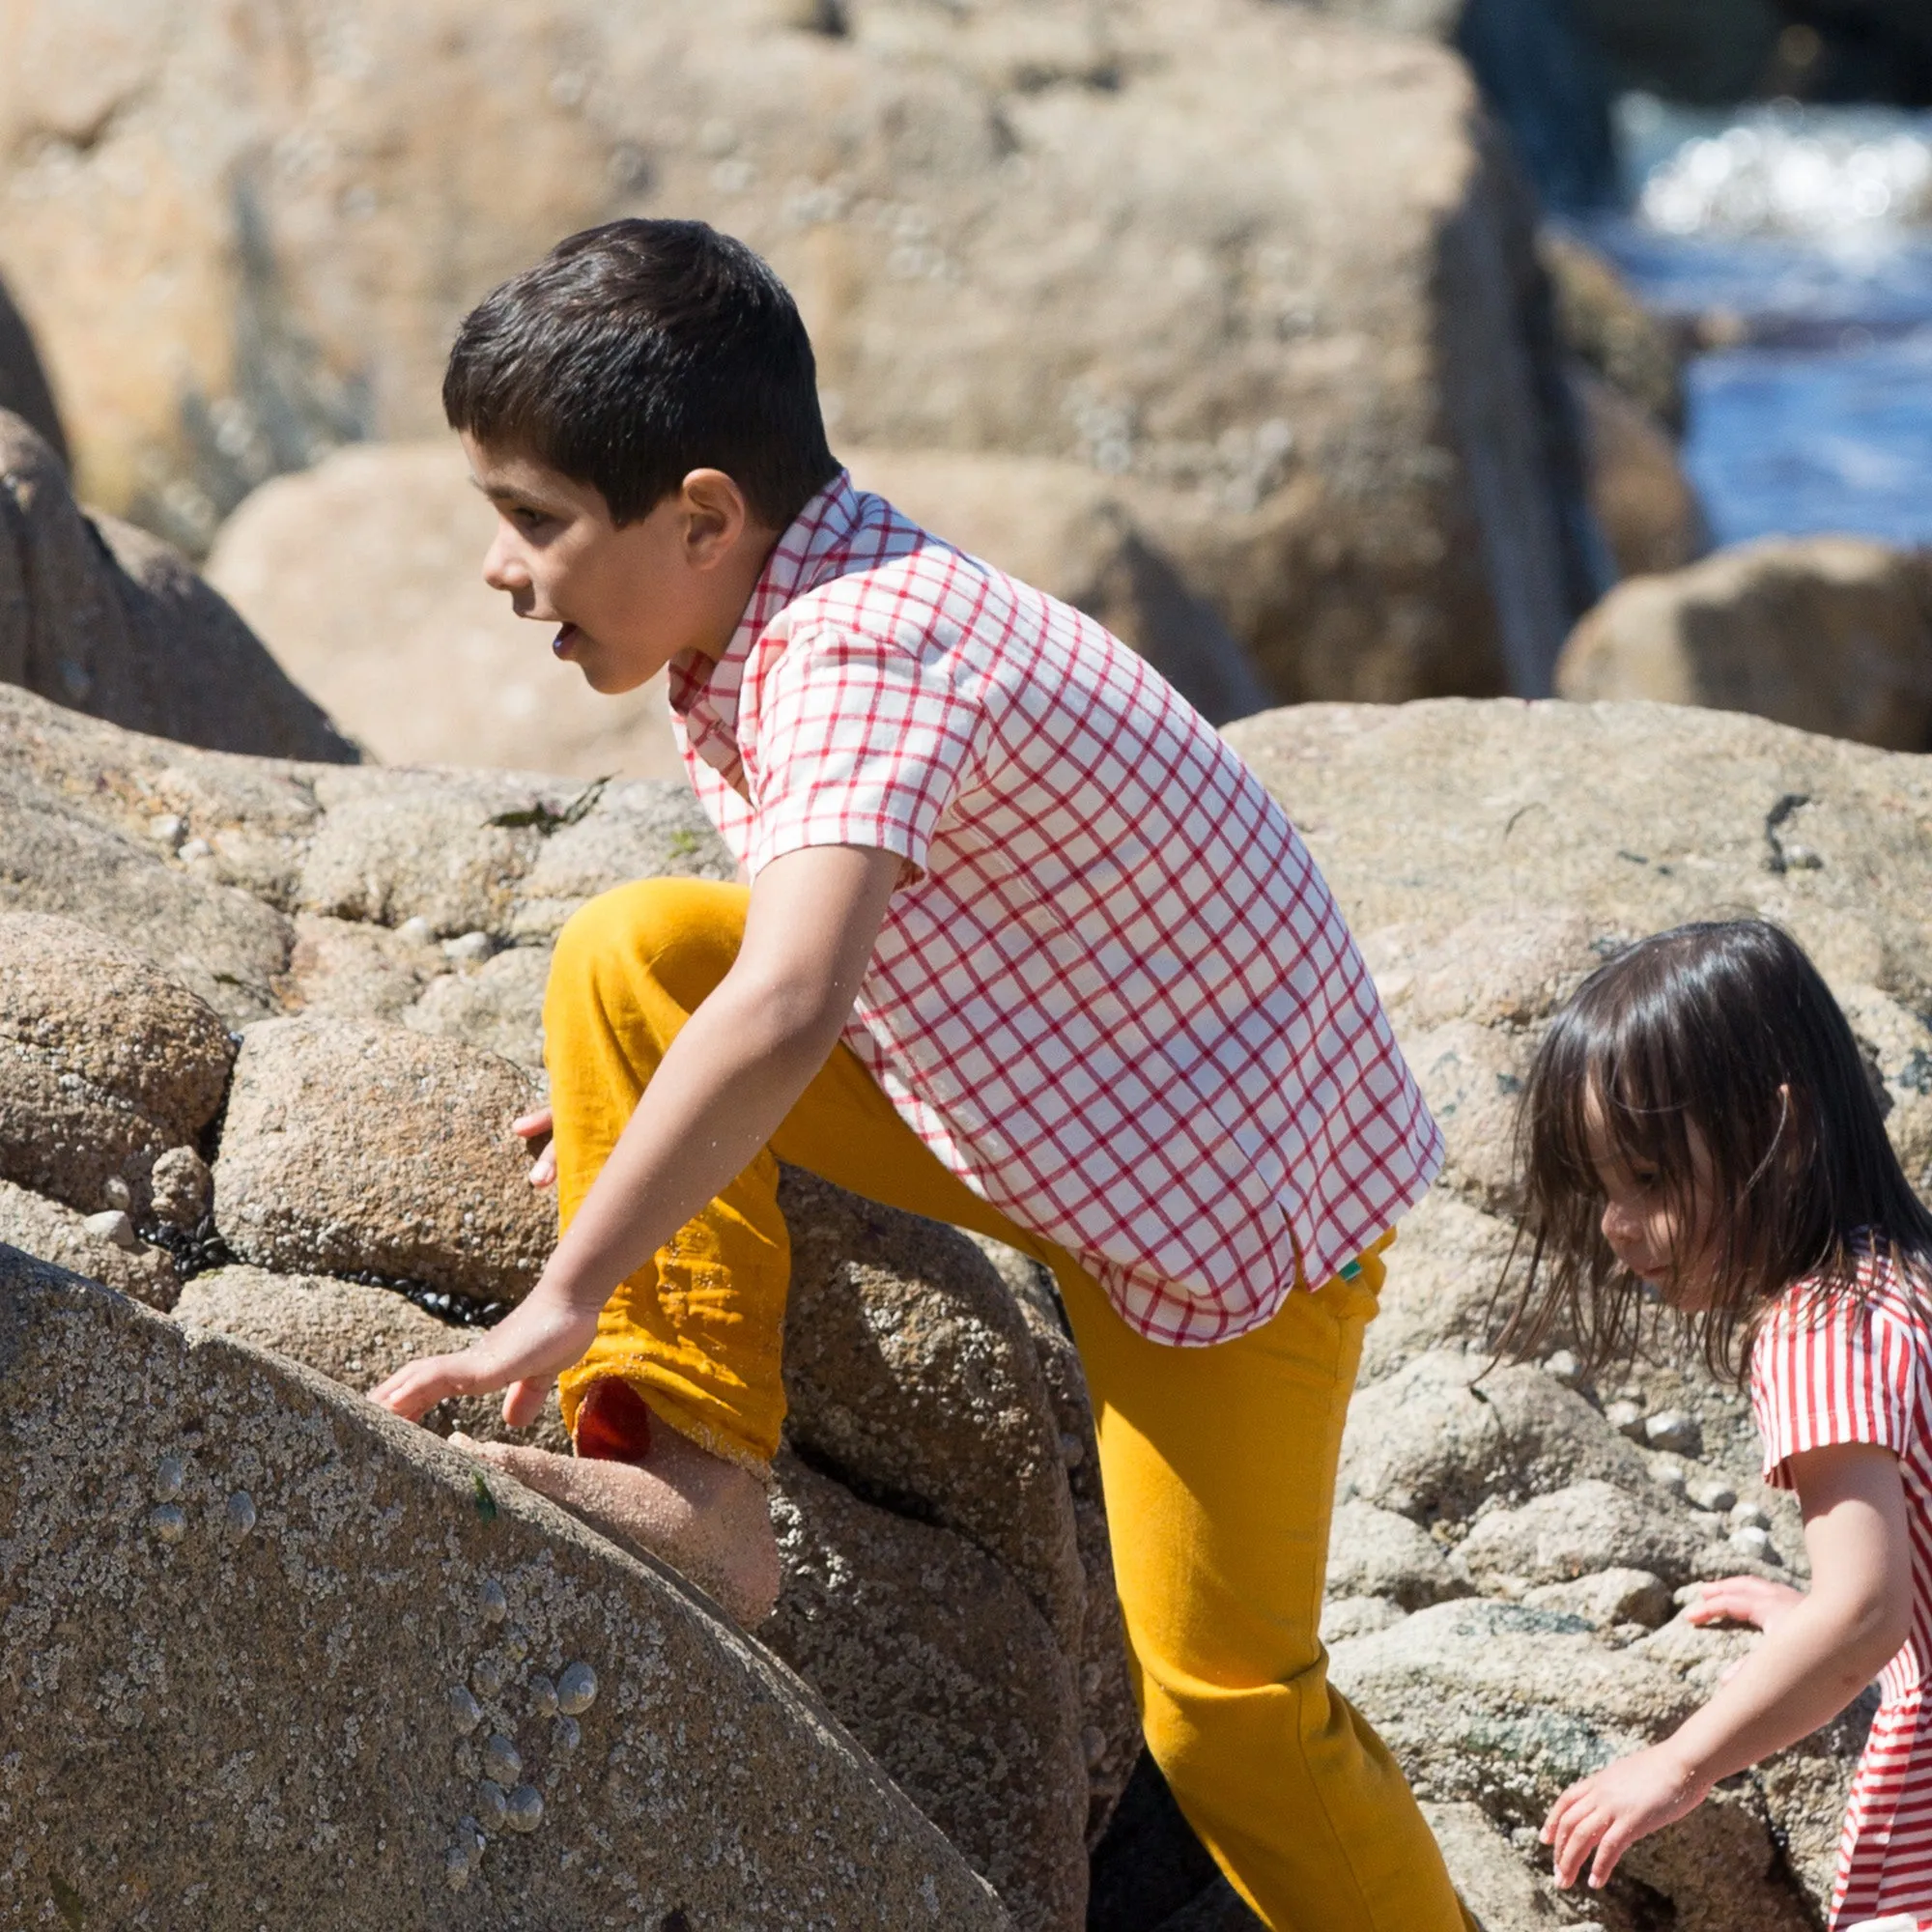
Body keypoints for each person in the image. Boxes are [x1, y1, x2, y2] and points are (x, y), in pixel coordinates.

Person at [369, 215, 1474, 1931]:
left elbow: (797, 989)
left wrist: (565, 1290)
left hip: (1231, 1223)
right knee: (639, 963)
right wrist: (655, 1109)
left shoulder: (863, 647)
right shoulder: (777, 599)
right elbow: (826, 941)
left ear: (706, 514)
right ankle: (698, 1493)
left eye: (532, 522)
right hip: (1068, 1112)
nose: (501, 572)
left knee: (1231, 1712)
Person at [1498, 918, 1932, 1931]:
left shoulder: (1813, 1332)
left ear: (1781, 1134)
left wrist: (1677, 1761)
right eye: (1599, 1186)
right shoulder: (1898, 1276)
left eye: (1644, 1178)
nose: (1612, 1222)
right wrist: (1821, 1619)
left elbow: (1864, 1610)